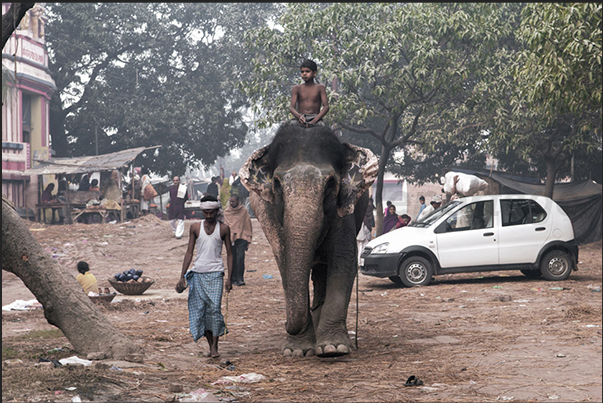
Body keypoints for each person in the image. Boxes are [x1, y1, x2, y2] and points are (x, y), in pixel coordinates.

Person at [175, 195, 233, 359]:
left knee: (214, 310)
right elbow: (189, 252)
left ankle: (215, 346)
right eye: (206, 213)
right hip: (198, 273)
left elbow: (230, 254)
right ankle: (210, 345)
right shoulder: (194, 227)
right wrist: (182, 276)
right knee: (201, 311)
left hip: (216, 274)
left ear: (216, 211)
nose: (208, 216)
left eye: (211, 213)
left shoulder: (223, 229)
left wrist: (229, 278)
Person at [289, 59, 329, 127]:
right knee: (291, 125)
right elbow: (291, 108)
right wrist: (299, 116)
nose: (304, 73)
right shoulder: (297, 88)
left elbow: (326, 107)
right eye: (302, 72)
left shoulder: (320, 88)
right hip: (301, 118)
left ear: (314, 73)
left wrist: (315, 120)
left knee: (322, 126)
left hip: (315, 118)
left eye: (307, 71)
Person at [224, 194, 253, 286]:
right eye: (230, 201)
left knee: (240, 257)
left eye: (233, 201)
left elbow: (247, 224)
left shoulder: (243, 211)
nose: (232, 203)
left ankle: (240, 278)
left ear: (238, 201)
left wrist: (247, 236)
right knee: (232, 257)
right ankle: (232, 278)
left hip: (242, 237)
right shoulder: (227, 212)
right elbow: (226, 225)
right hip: (230, 238)